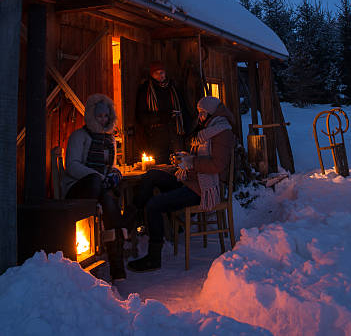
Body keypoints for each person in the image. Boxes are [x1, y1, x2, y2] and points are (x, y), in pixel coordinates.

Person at [127, 95, 235, 272]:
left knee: (155, 204)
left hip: (203, 188)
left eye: (202, 113)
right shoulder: (208, 130)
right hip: (192, 180)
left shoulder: (222, 132)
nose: (199, 117)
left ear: (212, 113)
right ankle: (131, 214)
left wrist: (191, 162)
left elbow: (217, 165)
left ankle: (154, 257)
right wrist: (184, 159)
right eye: (199, 113)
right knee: (153, 175)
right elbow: (200, 158)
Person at [62, 93, 126, 282]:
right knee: (105, 195)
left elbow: (112, 166)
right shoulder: (79, 136)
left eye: (106, 116)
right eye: (99, 116)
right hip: (80, 187)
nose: (103, 119)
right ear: (91, 116)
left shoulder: (110, 139)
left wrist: (114, 174)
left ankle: (117, 267)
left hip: (100, 190)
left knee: (108, 200)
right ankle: (122, 231)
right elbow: (72, 165)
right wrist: (98, 177)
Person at [135, 61, 189, 164]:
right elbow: (142, 116)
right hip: (156, 136)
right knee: (160, 165)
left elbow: (183, 108)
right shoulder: (146, 90)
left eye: (162, 72)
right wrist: (162, 116)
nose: (160, 75)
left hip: (175, 132)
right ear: (152, 75)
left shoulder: (173, 88)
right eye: (157, 73)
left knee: (179, 163)